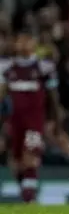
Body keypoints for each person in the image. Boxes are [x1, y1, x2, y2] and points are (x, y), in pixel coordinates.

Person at [0, 29, 60, 204]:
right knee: (16, 162)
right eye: (20, 39)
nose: (23, 43)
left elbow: (53, 96)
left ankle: (30, 198)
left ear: (34, 44)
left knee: (31, 155)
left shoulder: (44, 67)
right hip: (14, 121)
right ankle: (27, 193)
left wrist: (56, 121)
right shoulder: (5, 67)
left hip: (35, 121)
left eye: (28, 40)